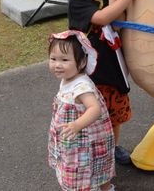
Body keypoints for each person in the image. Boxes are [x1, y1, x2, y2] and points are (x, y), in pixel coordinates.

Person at [67, 0, 143, 165]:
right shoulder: (78, 1)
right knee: (94, 118)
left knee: (114, 117)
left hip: (113, 72)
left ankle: (111, 150)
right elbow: (101, 19)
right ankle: (93, 155)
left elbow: (119, 24)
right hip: (92, 78)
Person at [47, 30, 115, 191]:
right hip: (73, 136)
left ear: (82, 62)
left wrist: (77, 125)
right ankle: (105, 187)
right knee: (97, 166)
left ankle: (104, 188)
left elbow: (94, 108)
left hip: (84, 138)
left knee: (87, 167)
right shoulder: (68, 79)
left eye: (64, 60)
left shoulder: (81, 86)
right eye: (53, 59)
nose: (57, 64)